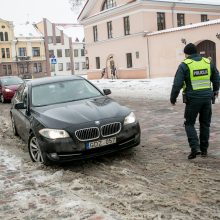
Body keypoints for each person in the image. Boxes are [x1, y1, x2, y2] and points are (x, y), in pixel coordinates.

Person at [170, 43, 219, 159]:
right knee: (205, 124)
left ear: (186, 54)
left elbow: (177, 84)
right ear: (196, 52)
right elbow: (217, 77)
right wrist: (216, 90)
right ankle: (204, 150)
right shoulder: (208, 62)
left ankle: (195, 148)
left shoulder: (184, 65)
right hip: (207, 98)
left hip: (193, 99)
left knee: (189, 123)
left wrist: (173, 98)